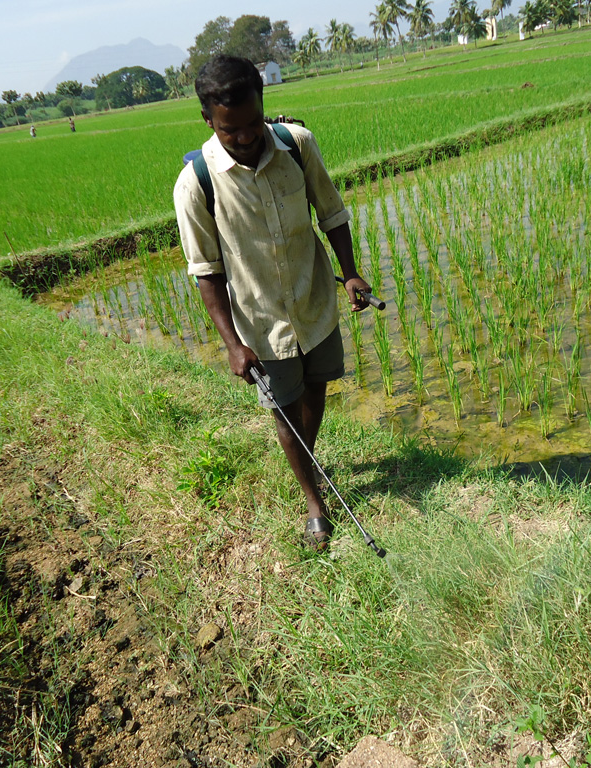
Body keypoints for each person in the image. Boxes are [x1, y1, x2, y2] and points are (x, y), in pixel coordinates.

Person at [173, 55, 371, 551]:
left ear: (264, 103)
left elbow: (332, 212)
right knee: (284, 412)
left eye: (251, 123)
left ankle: (309, 459)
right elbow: (207, 272)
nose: (244, 137)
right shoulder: (196, 183)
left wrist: (349, 274)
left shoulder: (297, 146)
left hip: (314, 299)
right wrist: (232, 344)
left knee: (316, 389)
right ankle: (314, 503)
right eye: (229, 129)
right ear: (208, 121)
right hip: (261, 323)